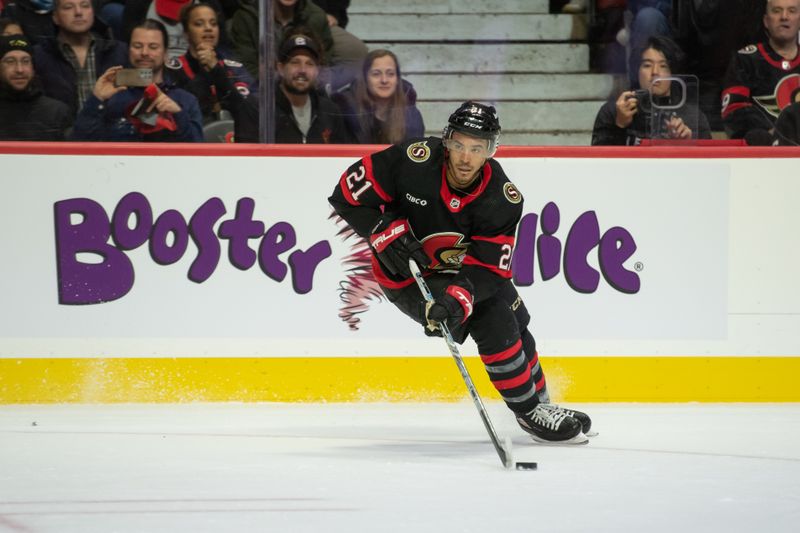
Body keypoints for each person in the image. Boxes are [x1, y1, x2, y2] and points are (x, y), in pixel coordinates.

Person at [328, 101, 593, 444]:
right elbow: (345, 196)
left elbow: (487, 268)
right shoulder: (412, 160)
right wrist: (381, 229)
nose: (466, 158)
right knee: (494, 318)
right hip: (410, 276)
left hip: (464, 274)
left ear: (491, 151)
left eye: (477, 148)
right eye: (459, 145)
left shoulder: (503, 198)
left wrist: (457, 299)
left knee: (517, 318)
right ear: (447, 141)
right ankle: (528, 413)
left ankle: (542, 404)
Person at [71, 18, 203, 141]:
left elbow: (200, 155)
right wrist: (97, 99)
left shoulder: (186, 101)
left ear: (165, 54)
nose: (144, 52)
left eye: (153, 47)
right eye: (138, 46)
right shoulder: (112, 96)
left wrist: (178, 115)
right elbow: (78, 142)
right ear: (128, 50)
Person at [592, 35, 712, 144]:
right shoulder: (613, 111)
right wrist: (619, 125)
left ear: (673, 73)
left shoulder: (693, 117)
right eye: (647, 65)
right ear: (637, 71)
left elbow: (709, 164)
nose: (655, 72)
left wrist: (685, 145)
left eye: (663, 66)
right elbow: (599, 163)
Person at [168, 1, 257, 142]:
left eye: (213, 23)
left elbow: (246, 110)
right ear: (186, 33)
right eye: (199, 24)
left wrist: (216, 69)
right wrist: (205, 69)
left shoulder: (235, 68)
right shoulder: (172, 70)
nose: (208, 28)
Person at [32, 0, 127, 116]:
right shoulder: (39, 56)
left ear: (93, 12)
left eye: (85, 6)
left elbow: (140, 88)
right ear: (55, 17)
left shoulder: (120, 51)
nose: (78, 12)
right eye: (68, 7)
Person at [721, 0, 800, 139]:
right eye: (777, 11)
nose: (784, 16)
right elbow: (734, 110)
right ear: (766, 21)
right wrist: (772, 135)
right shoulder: (745, 59)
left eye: (792, 11)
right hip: (762, 152)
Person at [333, 49, 424, 144]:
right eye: (376, 74)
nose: (384, 80)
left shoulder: (411, 114)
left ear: (397, 79)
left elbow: (415, 154)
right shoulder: (346, 108)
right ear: (365, 78)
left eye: (390, 74)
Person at [274, 30, 349, 143]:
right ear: (280, 69)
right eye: (295, 62)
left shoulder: (330, 111)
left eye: (309, 64)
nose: (302, 70)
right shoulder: (259, 109)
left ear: (317, 71)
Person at [230, 0, 332, 79]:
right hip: (261, 92)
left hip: (304, 89)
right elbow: (246, 66)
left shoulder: (315, 17)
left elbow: (323, 65)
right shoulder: (247, 17)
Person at [0, 33, 72, 140]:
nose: (19, 69)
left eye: (25, 61)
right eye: (10, 62)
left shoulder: (56, 112)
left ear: (33, 68)